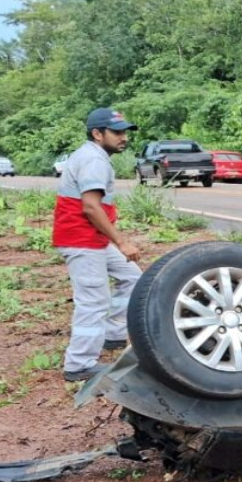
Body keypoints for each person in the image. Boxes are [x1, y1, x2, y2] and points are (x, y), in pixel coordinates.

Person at [53, 108, 142, 382]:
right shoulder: (94, 160)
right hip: (81, 239)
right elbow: (91, 207)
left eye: (124, 131)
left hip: (93, 238)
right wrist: (122, 241)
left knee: (133, 278)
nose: (123, 137)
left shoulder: (92, 156)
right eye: (117, 132)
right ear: (97, 133)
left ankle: (113, 334)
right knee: (93, 301)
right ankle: (79, 363)